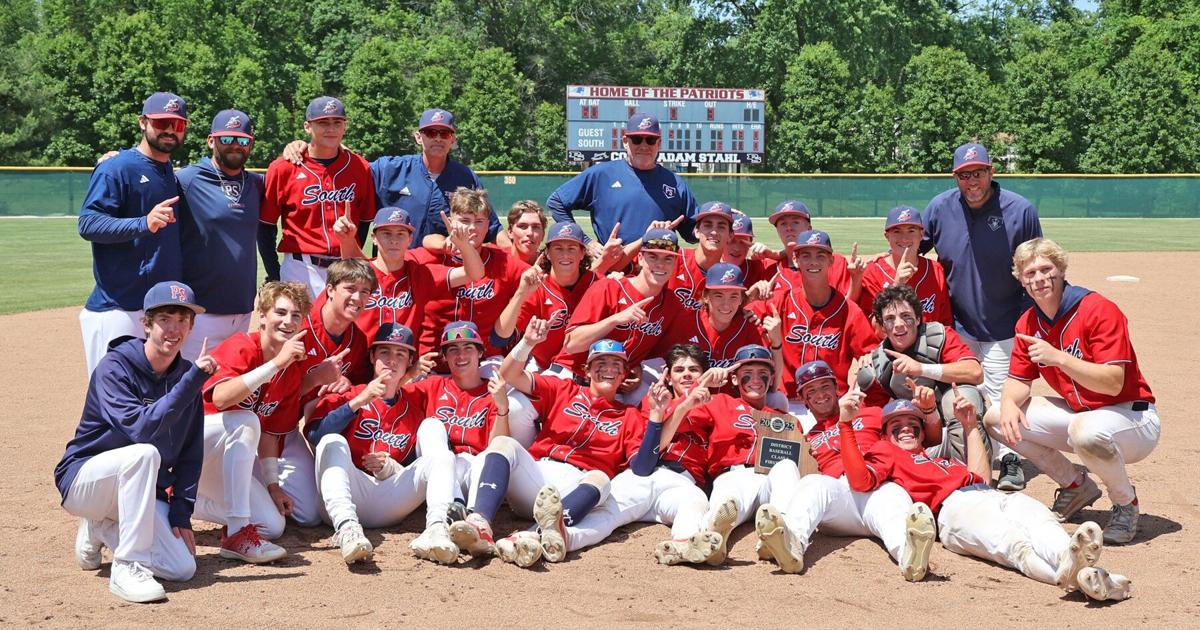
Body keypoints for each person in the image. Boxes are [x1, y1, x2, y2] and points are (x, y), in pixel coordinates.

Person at [841, 395, 1133, 601]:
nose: (906, 426)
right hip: (952, 510)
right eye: (896, 423)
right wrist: (845, 426)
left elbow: (981, 477)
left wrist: (970, 427)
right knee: (1015, 544)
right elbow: (860, 479)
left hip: (989, 495)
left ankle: (1081, 572)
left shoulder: (938, 459)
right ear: (884, 433)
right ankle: (1082, 580)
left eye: (912, 421)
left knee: (1040, 521)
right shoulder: (884, 452)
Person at [985, 238, 1160, 545]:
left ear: (1061, 269)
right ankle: (1075, 485)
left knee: (1085, 431)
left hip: (1133, 418)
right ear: (1021, 281)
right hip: (1085, 415)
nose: (1039, 278)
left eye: (1046, 269)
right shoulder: (1028, 322)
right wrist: (1009, 401)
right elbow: (1018, 380)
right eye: (1030, 273)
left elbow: (1113, 382)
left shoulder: (1097, 309)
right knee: (997, 418)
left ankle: (1125, 504)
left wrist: (1059, 358)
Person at [54, 281, 215, 603]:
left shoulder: (185, 375)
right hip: (85, 481)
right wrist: (192, 381)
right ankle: (127, 565)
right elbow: (141, 429)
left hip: (138, 492)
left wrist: (182, 513)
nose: (174, 329)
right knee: (144, 453)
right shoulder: (115, 367)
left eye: (183, 320)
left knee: (181, 568)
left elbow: (190, 452)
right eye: (165, 319)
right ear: (146, 324)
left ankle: (102, 527)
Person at [449, 331, 646, 567]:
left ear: (625, 374)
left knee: (602, 479)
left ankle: (532, 535)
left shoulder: (631, 416)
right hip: (539, 476)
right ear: (587, 370)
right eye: (600, 363)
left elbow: (641, 464)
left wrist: (656, 419)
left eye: (616, 364)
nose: (608, 369)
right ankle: (480, 523)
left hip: (577, 490)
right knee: (504, 443)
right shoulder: (564, 390)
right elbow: (509, 374)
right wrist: (527, 343)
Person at [921, 141, 1043, 490]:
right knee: (960, 395)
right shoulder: (940, 208)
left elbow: (1034, 266)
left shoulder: (1019, 211)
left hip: (1006, 322)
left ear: (991, 172)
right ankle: (960, 457)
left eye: (978, 173)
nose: (972, 182)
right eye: (964, 175)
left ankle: (1009, 461)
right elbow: (915, 249)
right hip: (957, 325)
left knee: (1005, 395)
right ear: (955, 177)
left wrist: (1028, 322)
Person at [753, 361, 930, 578]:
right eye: (811, 391)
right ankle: (792, 546)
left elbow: (911, 433)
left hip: (878, 485)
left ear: (836, 388)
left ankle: (910, 558)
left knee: (894, 499)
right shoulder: (807, 438)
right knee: (813, 484)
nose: (820, 394)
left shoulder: (871, 413)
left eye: (825, 386)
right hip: (839, 497)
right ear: (804, 400)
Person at [307, 323, 460, 565]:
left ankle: (437, 527)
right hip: (348, 493)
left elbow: (414, 464)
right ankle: (347, 530)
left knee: (441, 452)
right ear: (372, 357)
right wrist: (358, 402)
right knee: (332, 441)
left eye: (400, 354)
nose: (391, 360)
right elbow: (315, 436)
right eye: (384, 352)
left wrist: (391, 468)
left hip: (391, 500)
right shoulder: (348, 394)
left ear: (410, 362)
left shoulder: (415, 402)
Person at [195, 281, 314, 565]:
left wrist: (272, 485)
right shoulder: (241, 346)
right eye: (280, 312)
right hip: (195, 448)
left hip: (225, 463)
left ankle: (179, 502)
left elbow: (271, 433)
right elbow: (221, 398)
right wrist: (275, 364)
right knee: (246, 419)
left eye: (296, 315)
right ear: (262, 315)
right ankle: (236, 534)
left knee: (272, 526)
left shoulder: (292, 369)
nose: (288, 321)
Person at [77, 91, 188, 374]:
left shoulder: (168, 171)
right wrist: (143, 223)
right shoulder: (118, 167)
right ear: (143, 122)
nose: (169, 130)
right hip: (118, 308)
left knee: (146, 401)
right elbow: (88, 224)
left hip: (154, 309)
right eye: (161, 122)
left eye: (177, 124)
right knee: (109, 399)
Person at [275, 259, 376, 527]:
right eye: (350, 289)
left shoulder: (357, 339)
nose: (358, 298)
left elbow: (360, 386)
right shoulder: (297, 327)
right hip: (260, 425)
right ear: (330, 289)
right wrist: (314, 379)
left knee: (308, 515)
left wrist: (347, 384)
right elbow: (267, 395)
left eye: (365, 292)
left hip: (289, 433)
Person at [174, 108, 268, 360]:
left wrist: (300, 146)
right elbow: (148, 173)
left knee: (228, 386)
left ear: (251, 143)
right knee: (190, 386)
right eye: (226, 139)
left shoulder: (257, 184)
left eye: (242, 140)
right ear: (211, 140)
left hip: (242, 308)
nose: (235, 146)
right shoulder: (187, 179)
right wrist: (117, 158)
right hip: (201, 311)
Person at [855, 284, 986, 463]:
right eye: (890, 319)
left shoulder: (938, 336)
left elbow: (975, 372)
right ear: (883, 327)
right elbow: (872, 416)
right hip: (921, 434)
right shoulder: (879, 363)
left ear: (918, 319)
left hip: (957, 424)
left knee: (963, 397)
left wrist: (922, 369)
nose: (899, 324)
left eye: (906, 316)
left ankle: (972, 477)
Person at [553, 227, 685, 404]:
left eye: (668, 259)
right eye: (653, 257)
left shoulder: (671, 304)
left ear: (675, 263)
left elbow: (661, 353)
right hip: (572, 373)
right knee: (518, 410)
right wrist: (615, 319)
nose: (660, 265)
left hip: (617, 381)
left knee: (658, 405)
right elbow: (571, 344)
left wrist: (637, 367)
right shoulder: (609, 287)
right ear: (640, 258)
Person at [261, 96, 375, 298]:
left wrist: (350, 257)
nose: (331, 128)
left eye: (337, 122)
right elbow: (265, 226)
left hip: (345, 267)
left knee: (344, 328)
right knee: (297, 328)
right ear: (307, 126)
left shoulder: (360, 167)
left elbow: (365, 221)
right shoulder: (284, 167)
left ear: (344, 127)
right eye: (323, 122)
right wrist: (274, 273)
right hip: (299, 267)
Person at [546, 113, 697, 256]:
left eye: (650, 140)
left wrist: (714, 230)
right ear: (625, 141)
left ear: (659, 143)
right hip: (612, 270)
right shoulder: (602, 174)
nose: (644, 146)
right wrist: (585, 242)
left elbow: (693, 233)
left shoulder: (675, 183)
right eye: (637, 139)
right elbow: (557, 202)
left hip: (657, 271)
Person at [332, 201, 483, 341]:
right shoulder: (362, 272)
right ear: (374, 238)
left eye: (400, 233)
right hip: (358, 361)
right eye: (386, 233)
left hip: (402, 363)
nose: (394, 240)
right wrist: (346, 239)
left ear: (410, 239)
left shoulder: (421, 275)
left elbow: (474, 274)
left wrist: (464, 245)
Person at [764, 230, 876, 413]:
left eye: (820, 255)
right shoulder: (780, 302)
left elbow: (872, 357)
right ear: (796, 259)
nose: (813, 262)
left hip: (832, 404)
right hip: (786, 403)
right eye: (806, 256)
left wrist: (866, 363)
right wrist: (748, 298)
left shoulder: (849, 311)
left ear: (831, 260)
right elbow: (740, 316)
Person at [409, 188, 524, 363]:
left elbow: (539, 280)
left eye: (479, 221)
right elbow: (379, 268)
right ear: (450, 221)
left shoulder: (502, 262)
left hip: (486, 362)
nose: (472, 228)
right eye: (464, 220)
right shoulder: (427, 258)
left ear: (487, 226)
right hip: (431, 363)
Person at [369, 108, 503, 244]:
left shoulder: (466, 178)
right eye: (430, 133)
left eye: (444, 134)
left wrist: (518, 262)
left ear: (452, 139)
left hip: (441, 263)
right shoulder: (390, 169)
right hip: (395, 262)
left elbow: (492, 228)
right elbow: (354, 167)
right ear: (418, 137)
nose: (438, 138)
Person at [492, 221, 603, 373]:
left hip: (593, 370)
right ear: (548, 254)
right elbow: (499, 338)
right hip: (544, 368)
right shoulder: (537, 287)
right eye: (558, 249)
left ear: (582, 253)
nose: (565, 255)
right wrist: (521, 293)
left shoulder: (600, 284)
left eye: (572, 248)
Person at [655, 263, 769, 394]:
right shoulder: (685, 322)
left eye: (734, 296)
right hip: (690, 400)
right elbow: (664, 363)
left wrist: (777, 342)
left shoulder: (749, 324)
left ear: (741, 299)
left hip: (731, 404)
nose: (726, 305)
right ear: (706, 297)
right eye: (719, 295)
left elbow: (765, 370)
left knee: (776, 398)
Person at [856, 205, 952, 328]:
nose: (905, 238)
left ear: (921, 234)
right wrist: (896, 286)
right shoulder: (872, 272)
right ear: (887, 236)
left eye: (911, 231)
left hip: (929, 345)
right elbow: (875, 328)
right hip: (888, 346)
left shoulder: (935, 269)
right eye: (897, 231)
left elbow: (945, 323)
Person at [668, 201, 734, 312]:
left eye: (721, 227)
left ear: (730, 235)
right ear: (697, 232)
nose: (714, 232)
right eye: (708, 225)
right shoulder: (673, 259)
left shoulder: (729, 276)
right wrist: (649, 239)